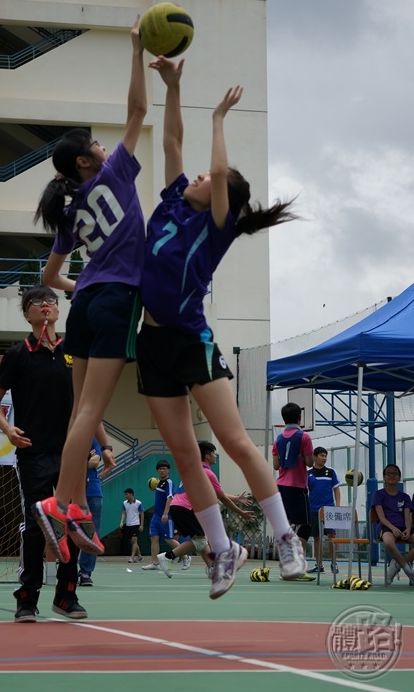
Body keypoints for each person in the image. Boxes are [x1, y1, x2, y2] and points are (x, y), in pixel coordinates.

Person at [136, 57, 306, 599]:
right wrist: (175, 85)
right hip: (153, 340)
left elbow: (215, 168)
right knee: (186, 455)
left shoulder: (216, 227)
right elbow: (170, 143)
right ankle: (222, 550)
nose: (200, 175)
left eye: (211, 177)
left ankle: (285, 536)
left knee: (233, 441)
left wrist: (218, 120)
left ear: (221, 197)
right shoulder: (170, 204)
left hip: (192, 340)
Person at [32, 16, 147, 561]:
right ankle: (59, 505)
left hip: (86, 304)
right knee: (87, 414)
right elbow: (139, 113)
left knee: (83, 408)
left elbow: (51, 278)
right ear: (85, 161)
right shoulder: (115, 175)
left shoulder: (69, 210)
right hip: (118, 298)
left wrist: (85, 280)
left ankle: (73, 507)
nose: (106, 144)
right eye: (96, 144)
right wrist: (137, 51)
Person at [0, 284, 113, 621]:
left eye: (51, 301)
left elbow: (89, 404)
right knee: (35, 525)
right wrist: (8, 429)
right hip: (33, 454)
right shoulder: (18, 354)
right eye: (37, 302)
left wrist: (106, 444)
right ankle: (27, 598)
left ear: (58, 310)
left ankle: (66, 596)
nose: (45, 306)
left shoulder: (74, 350)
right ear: (27, 313)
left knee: (73, 524)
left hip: (73, 453)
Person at [157, 441, 255, 578]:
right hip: (185, 508)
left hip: (178, 506)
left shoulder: (193, 469)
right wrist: (242, 513)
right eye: (214, 453)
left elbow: (218, 493)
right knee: (201, 541)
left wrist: (237, 498)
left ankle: (212, 568)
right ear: (208, 456)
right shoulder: (208, 473)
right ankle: (167, 556)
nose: (215, 456)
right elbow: (222, 498)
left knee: (201, 538)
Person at [272, 402, 314, 562]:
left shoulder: (278, 439)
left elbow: (276, 465)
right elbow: (310, 462)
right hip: (296, 487)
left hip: (281, 486)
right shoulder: (304, 436)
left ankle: (285, 561)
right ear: (299, 418)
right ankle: (296, 563)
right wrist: (302, 457)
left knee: (286, 525)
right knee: (305, 525)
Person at [371, 464, 414, 584]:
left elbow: (407, 517)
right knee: (389, 543)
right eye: (388, 473)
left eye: (395, 473)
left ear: (399, 477)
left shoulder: (405, 497)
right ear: (384, 477)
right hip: (387, 527)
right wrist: (393, 528)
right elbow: (381, 517)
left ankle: (397, 563)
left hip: (403, 528)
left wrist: (408, 529)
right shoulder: (378, 494)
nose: (391, 476)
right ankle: (408, 570)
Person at [142, 459, 181, 571]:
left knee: (169, 540)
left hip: (165, 517)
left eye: (164, 469)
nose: (162, 470)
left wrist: (165, 513)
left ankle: (185, 556)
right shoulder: (159, 483)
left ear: (168, 470)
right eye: (160, 469)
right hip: (155, 516)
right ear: (157, 471)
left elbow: (170, 497)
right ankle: (154, 563)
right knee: (154, 538)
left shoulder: (169, 483)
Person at [306, 447, 341, 574]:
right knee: (317, 538)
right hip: (314, 510)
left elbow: (336, 489)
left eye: (325, 456)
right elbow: (305, 491)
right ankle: (319, 565)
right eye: (321, 455)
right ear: (314, 457)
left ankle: (334, 563)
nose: (324, 458)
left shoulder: (331, 472)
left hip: (329, 510)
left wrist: (337, 505)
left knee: (332, 536)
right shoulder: (308, 474)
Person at [78, 439, 104, 587]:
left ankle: (85, 572)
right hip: (73, 491)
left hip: (93, 493)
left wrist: (81, 460)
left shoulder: (92, 440)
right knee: (69, 531)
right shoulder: (68, 437)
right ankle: (66, 571)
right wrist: (86, 457)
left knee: (91, 534)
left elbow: (95, 462)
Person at [119, 488, 144, 562]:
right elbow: (124, 513)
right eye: (125, 494)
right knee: (133, 542)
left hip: (135, 524)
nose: (125, 496)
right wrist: (121, 522)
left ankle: (132, 557)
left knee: (134, 540)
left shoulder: (138, 503)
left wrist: (141, 525)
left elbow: (142, 513)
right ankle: (139, 556)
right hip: (128, 524)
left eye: (127, 494)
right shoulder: (124, 503)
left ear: (131, 494)